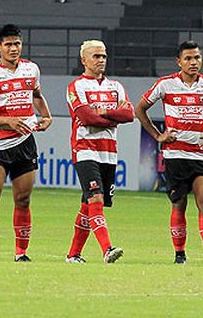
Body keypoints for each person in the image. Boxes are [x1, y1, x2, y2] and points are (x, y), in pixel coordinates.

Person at [135, 40, 203, 265]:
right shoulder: (166, 84)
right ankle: (180, 254)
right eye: (188, 58)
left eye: (197, 58)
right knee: (179, 203)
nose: (193, 62)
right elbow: (139, 109)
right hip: (175, 155)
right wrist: (157, 135)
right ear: (179, 61)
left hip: (200, 154)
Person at [0, 24, 53, 262]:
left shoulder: (31, 69)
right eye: (8, 44)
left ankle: (21, 253)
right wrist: (6, 121)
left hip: (26, 142)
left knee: (23, 199)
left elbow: (36, 95)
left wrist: (47, 116)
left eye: (16, 44)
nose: (13, 48)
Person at [65, 40, 133, 264]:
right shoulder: (77, 87)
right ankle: (107, 249)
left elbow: (129, 115)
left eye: (103, 56)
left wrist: (104, 112)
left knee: (88, 204)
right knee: (95, 197)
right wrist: (113, 116)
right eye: (96, 56)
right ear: (83, 60)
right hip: (85, 149)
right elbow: (86, 118)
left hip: (109, 152)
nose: (101, 60)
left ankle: (73, 255)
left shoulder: (116, 87)